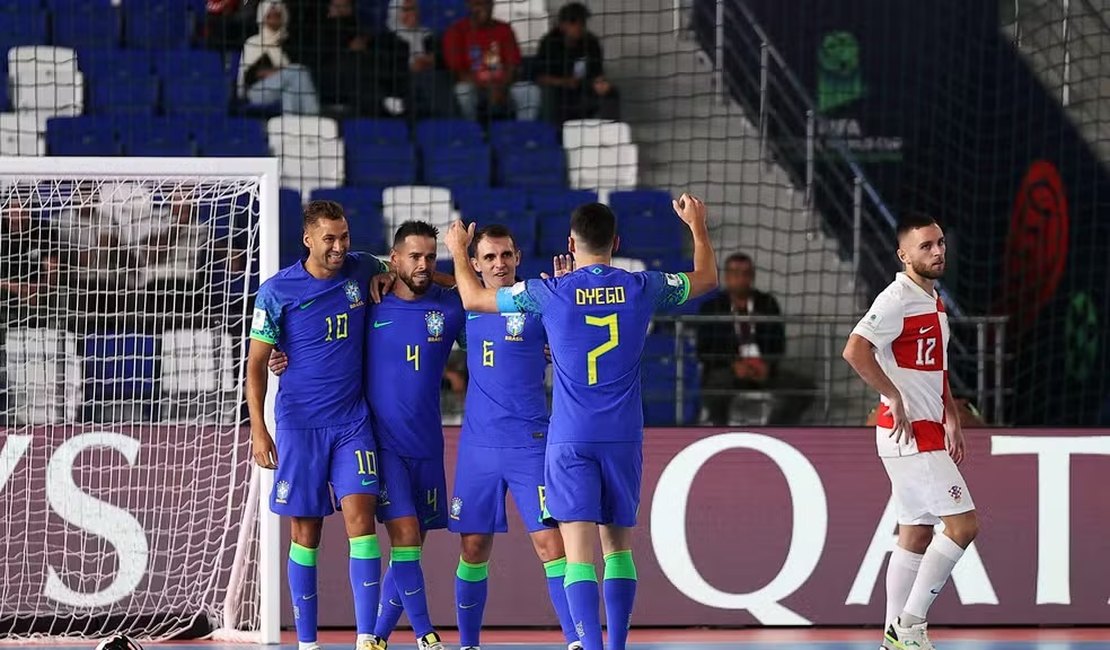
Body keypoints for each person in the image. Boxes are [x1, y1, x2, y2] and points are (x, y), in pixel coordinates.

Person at [444, 195, 719, 650]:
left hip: (570, 437)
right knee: (619, 549)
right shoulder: (642, 285)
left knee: (576, 555)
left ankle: (589, 646)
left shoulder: (548, 292)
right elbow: (707, 278)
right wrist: (697, 226)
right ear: (616, 241)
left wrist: (458, 250)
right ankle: (616, 647)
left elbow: (473, 296)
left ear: (571, 243)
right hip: (622, 435)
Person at [245, 200, 391, 650]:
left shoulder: (362, 267)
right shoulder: (276, 291)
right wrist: (258, 428)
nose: (339, 246)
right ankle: (307, 644)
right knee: (305, 531)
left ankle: (367, 639)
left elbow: (411, 271)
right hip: (299, 425)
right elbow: (255, 365)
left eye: (344, 236)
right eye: (329, 238)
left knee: (360, 518)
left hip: (352, 422)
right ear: (308, 239)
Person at [841, 212, 980, 650]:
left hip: (927, 430)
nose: (938, 251)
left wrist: (952, 415)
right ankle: (910, 625)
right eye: (926, 246)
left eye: (940, 243)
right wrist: (892, 395)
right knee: (963, 525)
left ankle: (892, 637)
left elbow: (934, 366)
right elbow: (855, 350)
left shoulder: (933, 300)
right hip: (910, 434)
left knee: (916, 532)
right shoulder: (897, 297)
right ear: (904, 255)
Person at [448, 225, 581, 650]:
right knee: (473, 548)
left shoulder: (539, 300)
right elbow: (416, 285)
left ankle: (577, 641)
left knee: (551, 545)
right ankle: (468, 644)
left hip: (530, 442)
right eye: (489, 257)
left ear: (518, 257)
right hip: (478, 449)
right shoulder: (462, 303)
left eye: (505, 255)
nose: (499, 264)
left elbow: (577, 337)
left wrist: (572, 288)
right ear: (474, 264)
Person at [364, 221, 463, 650]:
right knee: (404, 536)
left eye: (429, 257)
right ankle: (427, 635)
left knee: (411, 548)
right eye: (414, 257)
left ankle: (374, 639)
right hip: (381, 445)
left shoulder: (451, 307)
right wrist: (282, 354)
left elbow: (483, 292)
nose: (423, 265)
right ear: (394, 257)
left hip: (427, 445)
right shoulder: (370, 304)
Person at [696, 252, 815, 425]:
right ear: (727, 277)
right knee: (716, 388)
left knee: (803, 388)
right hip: (728, 371)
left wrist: (765, 365)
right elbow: (704, 350)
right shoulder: (712, 308)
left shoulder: (767, 303)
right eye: (735, 273)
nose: (740, 278)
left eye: (745, 273)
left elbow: (778, 344)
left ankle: (776, 431)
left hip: (763, 370)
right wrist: (734, 364)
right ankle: (719, 431)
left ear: (752, 276)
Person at [442, 0, 541, 121]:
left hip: (503, 86)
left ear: (492, 6)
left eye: (484, 4)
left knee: (530, 91)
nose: (480, 9)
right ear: (468, 6)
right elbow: (459, 72)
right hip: (475, 86)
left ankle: (523, 131)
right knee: (463, 91)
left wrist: (501, 87)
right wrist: (487, 87)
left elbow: (513, 65)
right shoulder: (456, 31)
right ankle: (472, 131)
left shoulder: (504, 29)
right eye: (476, 5)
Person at [534, 2, 620, 124]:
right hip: (558, 90)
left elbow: (597, 72)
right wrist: (565, 82)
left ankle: (607, 133)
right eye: (574, 24)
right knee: (549, 94)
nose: (579, 28)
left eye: (582, 23)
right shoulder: (549, 43)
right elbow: (540, 78)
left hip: (584, 88)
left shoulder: (591, 42)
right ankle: (554, 136)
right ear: (563, 25)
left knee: (611, 92)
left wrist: (601, 83)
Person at [237, 0, 321, 115]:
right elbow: (252, 74)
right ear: (262, 17)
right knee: (299, 71)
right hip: (257, 91)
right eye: (270, 15)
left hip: (283, 88)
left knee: (290, 90)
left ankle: (290, 126)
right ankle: (314, 117)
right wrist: (283, 71)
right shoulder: (253, 41)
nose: (274, 17)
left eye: (278, 15)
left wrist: (282, 72)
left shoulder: (290, 42)